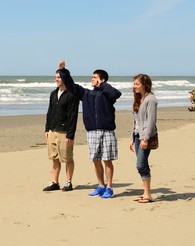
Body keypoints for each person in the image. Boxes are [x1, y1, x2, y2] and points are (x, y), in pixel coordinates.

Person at [58, 60, 122, 198]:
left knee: (107, 160)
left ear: (102, 79)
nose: (92, 79)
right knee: (96, 159)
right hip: (92, 131)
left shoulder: (107, 94)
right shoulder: (86, 93)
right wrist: (63, 71)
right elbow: (71, 85)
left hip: (107, 131)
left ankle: (109, 187)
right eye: (92, 77)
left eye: (95, 77)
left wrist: (103, 85)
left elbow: (117, 94)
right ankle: (101, 185)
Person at [43, 67, 79, 192]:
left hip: (65, 132)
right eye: (56, 77)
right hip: (52, 130)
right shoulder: (53, 93)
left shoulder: (71, 94)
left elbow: (73, 115)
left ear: (65, 78)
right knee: (54, 157)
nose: (56, 80)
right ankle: (54, 182)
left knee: (67, 158)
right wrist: (47, 128)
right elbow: (49, 111)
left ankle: (68, 182)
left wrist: (70, 134)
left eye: (59, 77)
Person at [129, 74, 158, 203]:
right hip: (137, 136)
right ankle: (146, 193)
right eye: (134, 84)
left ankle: (148, 194)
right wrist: (132, 137)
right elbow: (136, 121)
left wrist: (145, 139)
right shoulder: (139, 98)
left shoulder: (151, 99)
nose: (134, 86)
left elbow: (151, 121)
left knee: (140, 165)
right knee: (143, 164)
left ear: (145, 85)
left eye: (137, 84)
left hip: (145, 137)